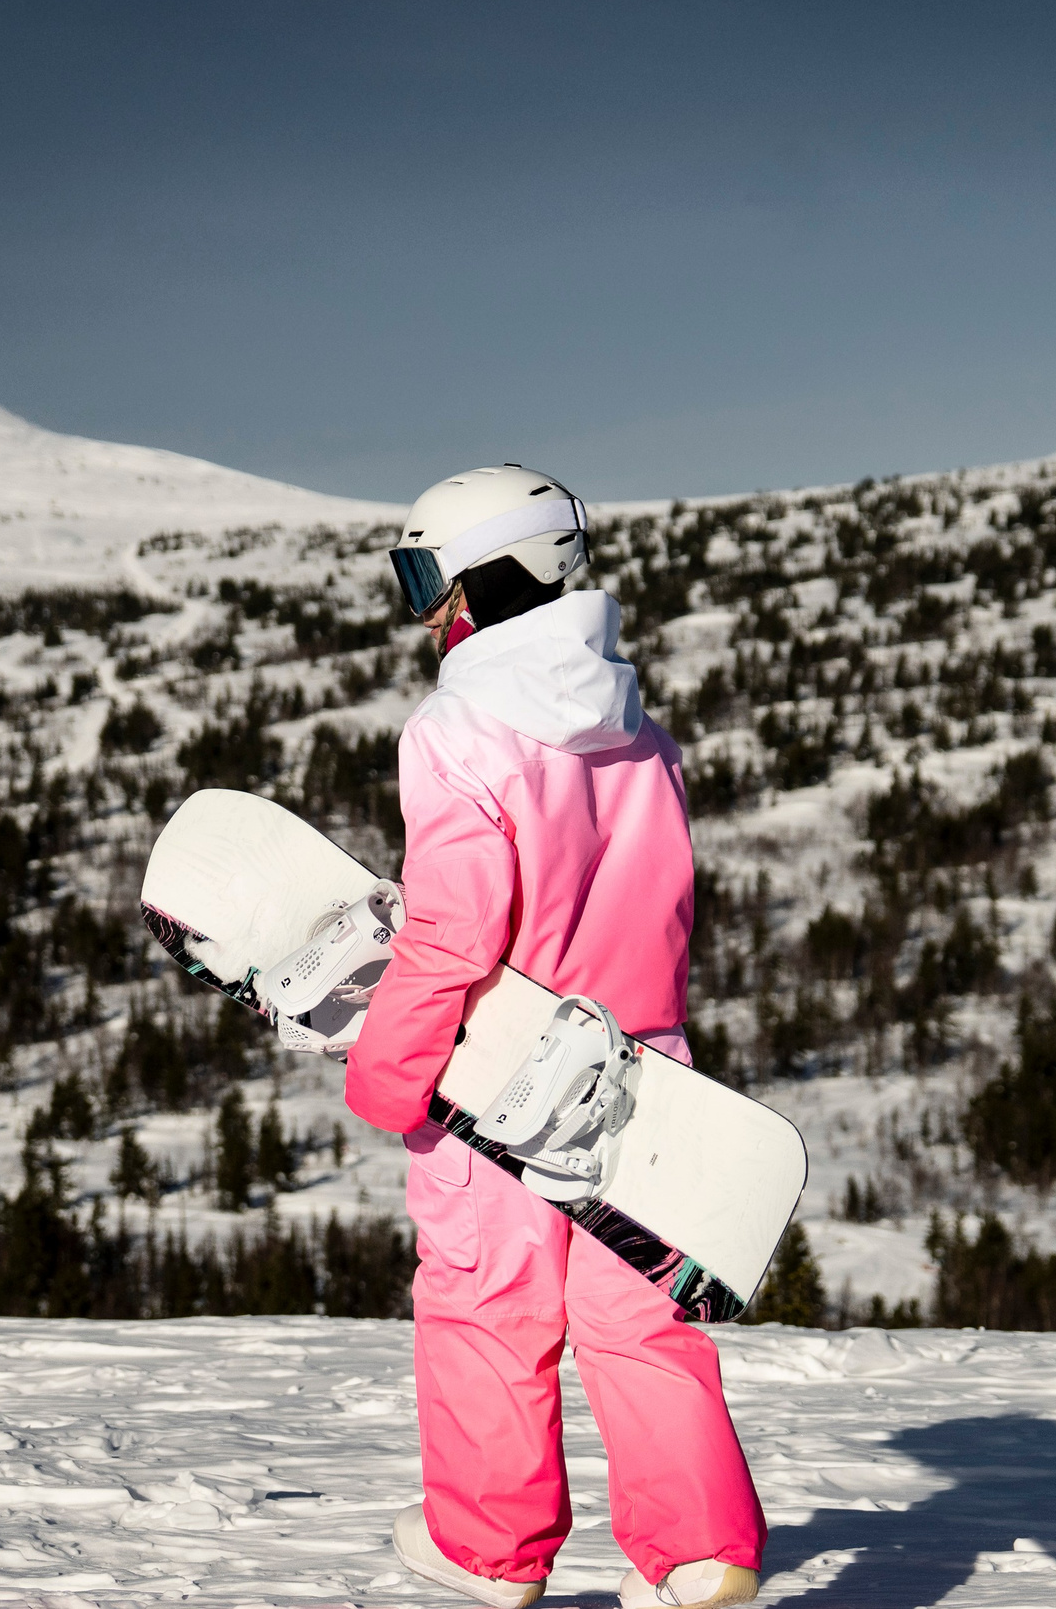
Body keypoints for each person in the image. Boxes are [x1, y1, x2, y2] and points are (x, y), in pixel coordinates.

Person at [343, 467, 765, 1609]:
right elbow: (663, 907)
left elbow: (450, 934)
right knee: (639, 1315)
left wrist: (388, 1076)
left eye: (427, 577)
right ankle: (701, 1554)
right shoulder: (640, 732)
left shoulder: (454, 729)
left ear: (487, 571)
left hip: (503, 1069)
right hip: (646, 1063)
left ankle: (487, 1551)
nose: (426, 611)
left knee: (487, 1308)